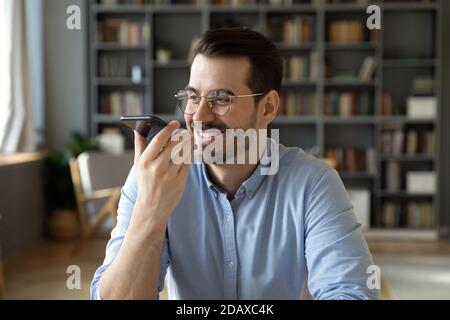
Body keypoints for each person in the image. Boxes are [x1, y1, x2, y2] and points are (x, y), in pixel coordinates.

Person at [91, 27, 379, 300]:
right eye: (193, 97)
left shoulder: (314, 184)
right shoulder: (153, 179)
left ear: (267, 107)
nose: (199, 116)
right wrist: (149, 213)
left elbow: (351, 291)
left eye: (220, 99)